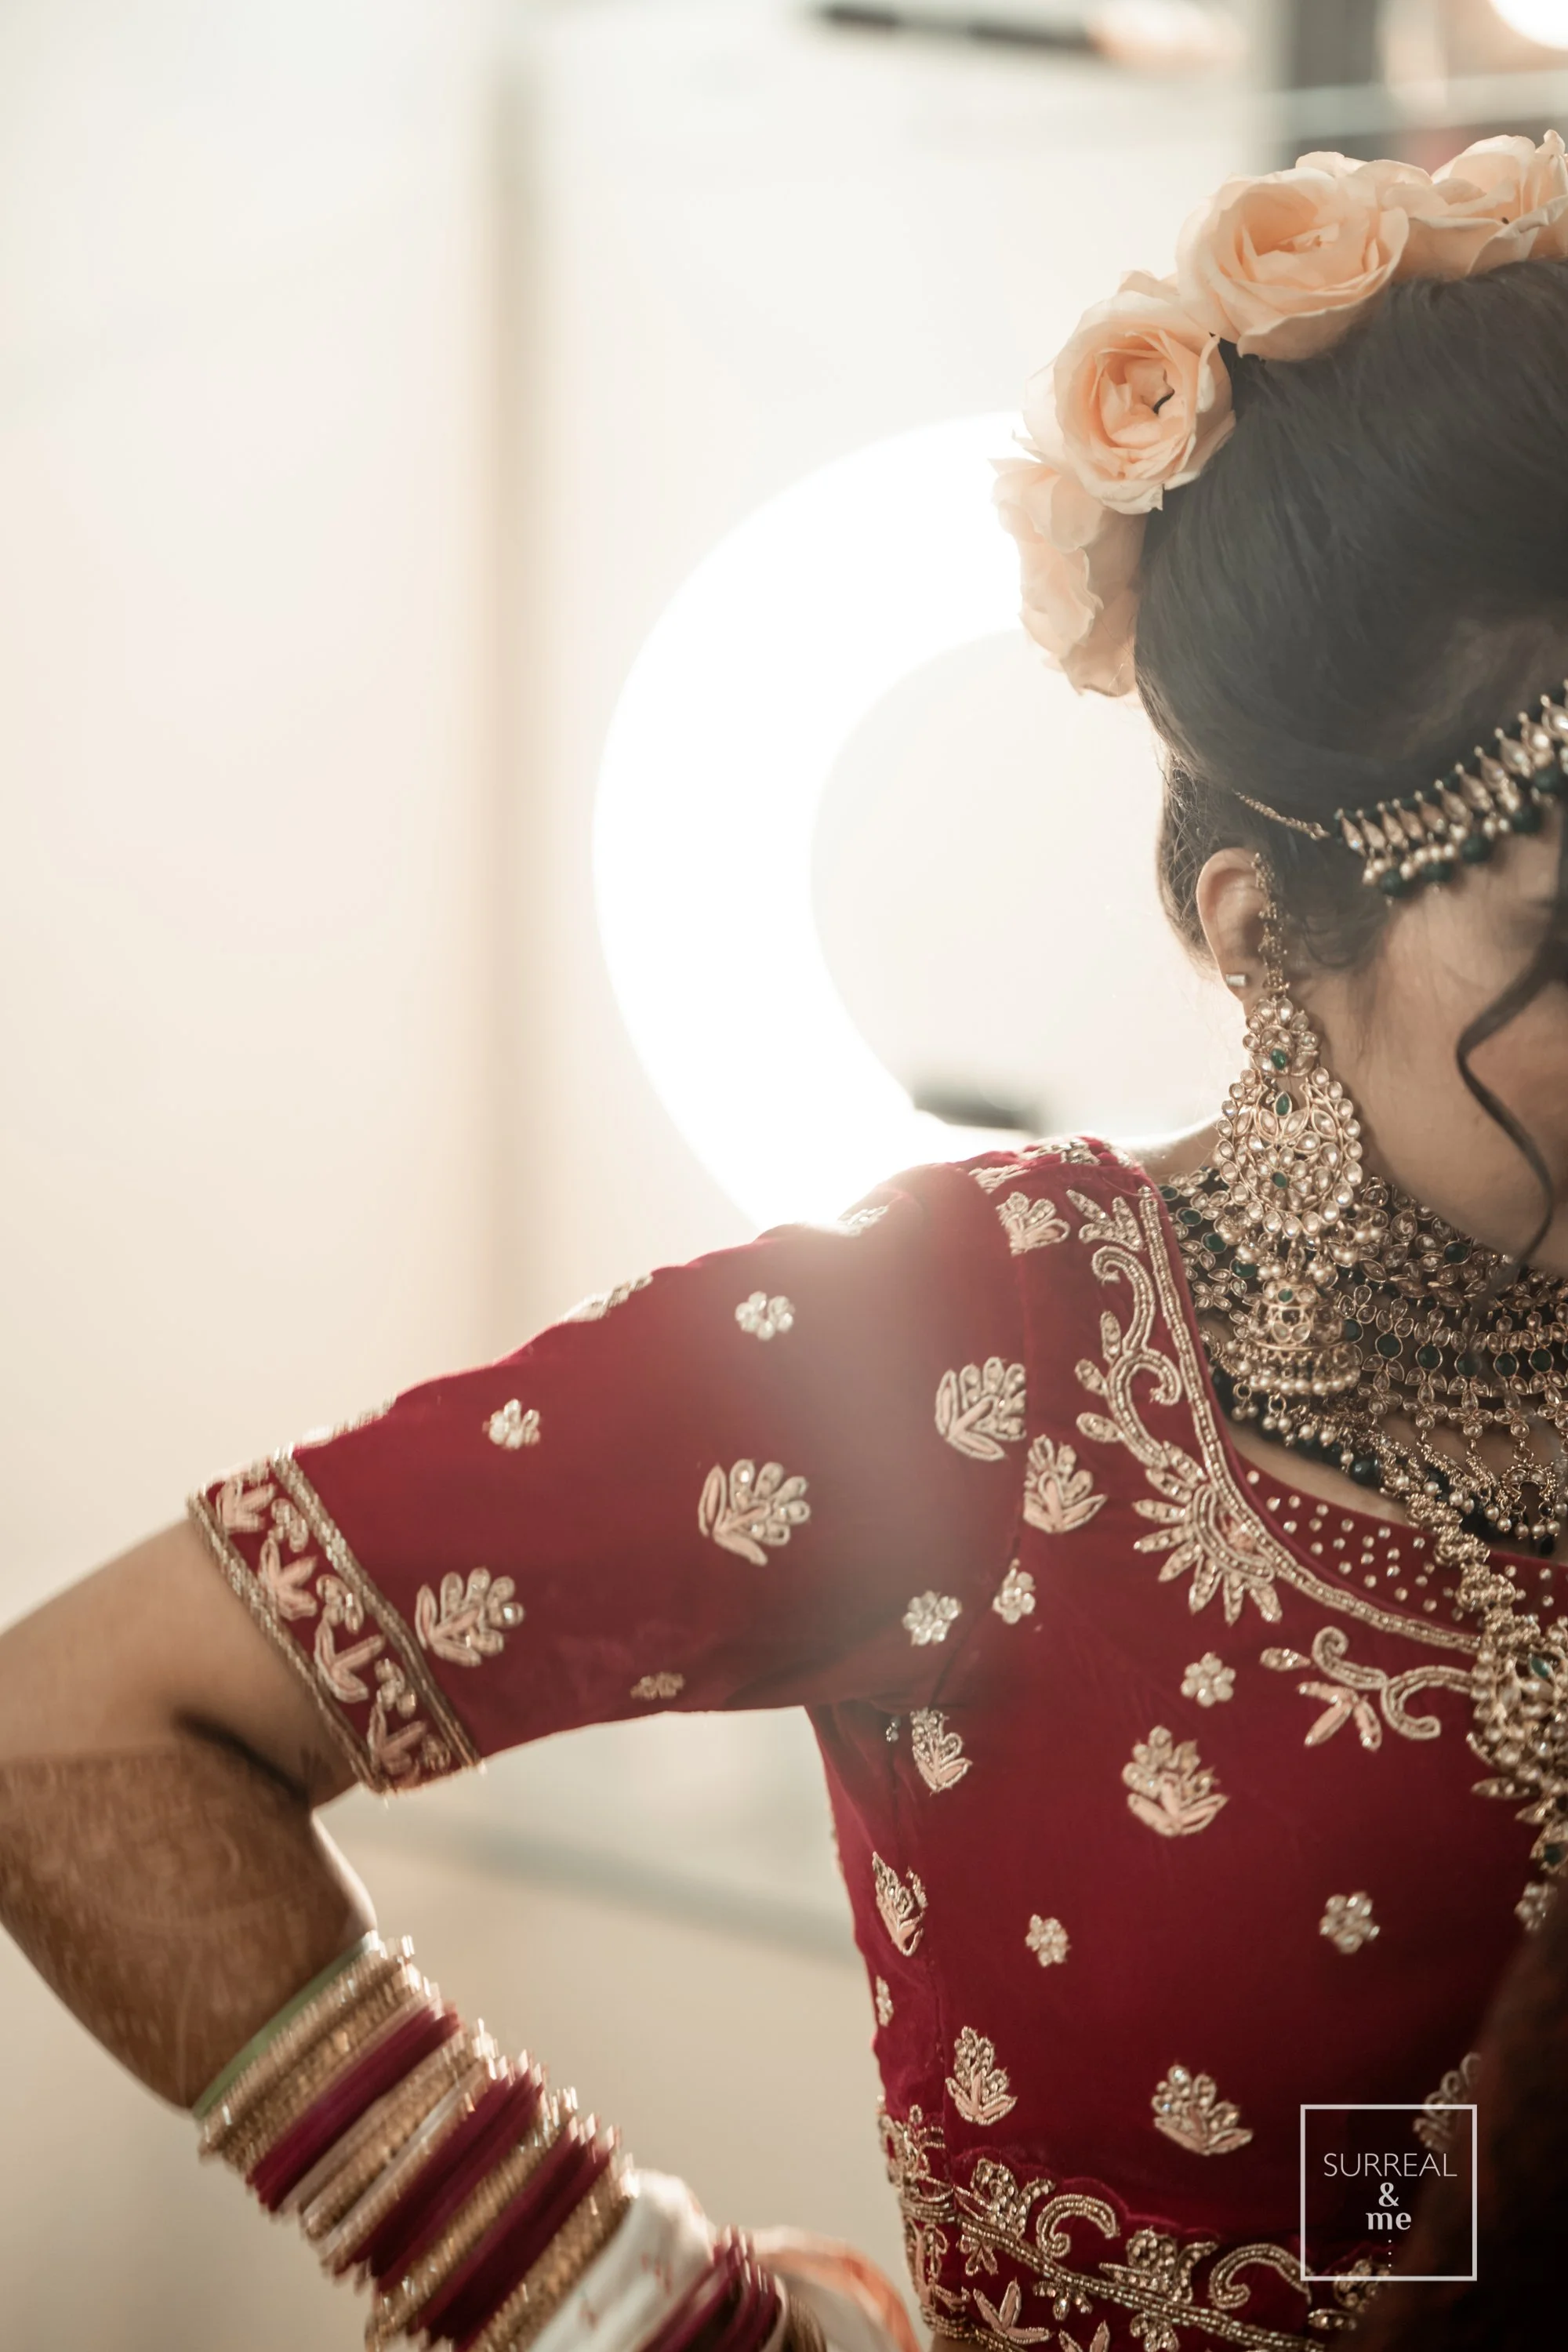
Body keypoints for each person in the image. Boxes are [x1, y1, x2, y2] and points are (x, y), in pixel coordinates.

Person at [4, 132, 1568, 2352]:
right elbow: (79, 1734)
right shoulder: (975, 1353)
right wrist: (614, 2300)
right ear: (1263, 934)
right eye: (1564, 936)